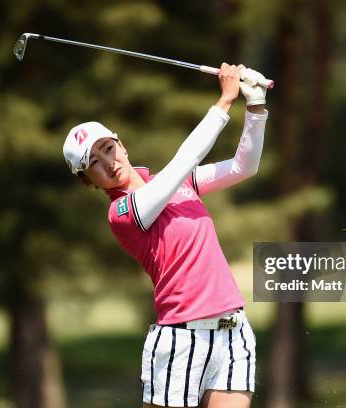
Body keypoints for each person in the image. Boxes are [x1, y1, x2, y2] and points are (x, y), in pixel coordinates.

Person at [63, 63, 269, 408]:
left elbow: (242, 166)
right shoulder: (124, 213)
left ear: (121, 144)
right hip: (181, 339)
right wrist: (225, 101)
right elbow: (185, 160)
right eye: (94, 162)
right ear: (89, 180)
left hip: (233, 331)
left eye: (108, 148)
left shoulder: (181, 184)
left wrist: (256, 106)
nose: (108, 162)